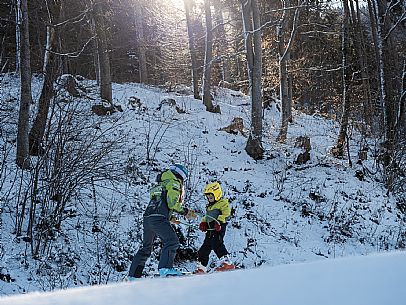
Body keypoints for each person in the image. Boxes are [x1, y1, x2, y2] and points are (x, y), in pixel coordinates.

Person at [128, 163, 196, 279]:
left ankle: (133, 276)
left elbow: (160, 203)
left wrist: (170, 218)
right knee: (172, 241)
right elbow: (172, 203)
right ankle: (166, 268)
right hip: (158, 218)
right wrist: (186, 212)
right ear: (181, 177)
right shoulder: (174, 183)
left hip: (148, 218)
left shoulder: (161, 184)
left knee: (146, 248)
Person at [194, 182, 235, 274]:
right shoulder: (210, 206)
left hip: (218, 227)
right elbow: (207, 216)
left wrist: (219, 221)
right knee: (204, 248)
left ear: (217, 195)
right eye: (208, 198)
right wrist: (203, 222)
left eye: (211, 197)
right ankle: (202, 267)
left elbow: (226, 214)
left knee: (217, 243)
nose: (209, 199)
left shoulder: (223, 203)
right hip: (210, 229)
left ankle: (227, 263)